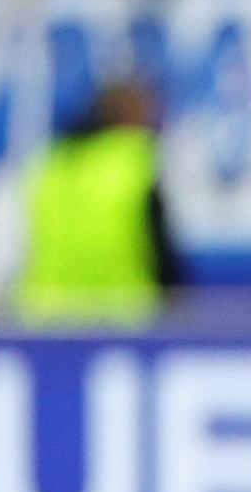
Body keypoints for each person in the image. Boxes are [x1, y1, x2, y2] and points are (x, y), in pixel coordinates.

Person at [18, 79, 182, 325]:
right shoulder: (135, 161)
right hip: (124, 318)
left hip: (46, 318)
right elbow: (162, 255)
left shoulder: (48, 163)